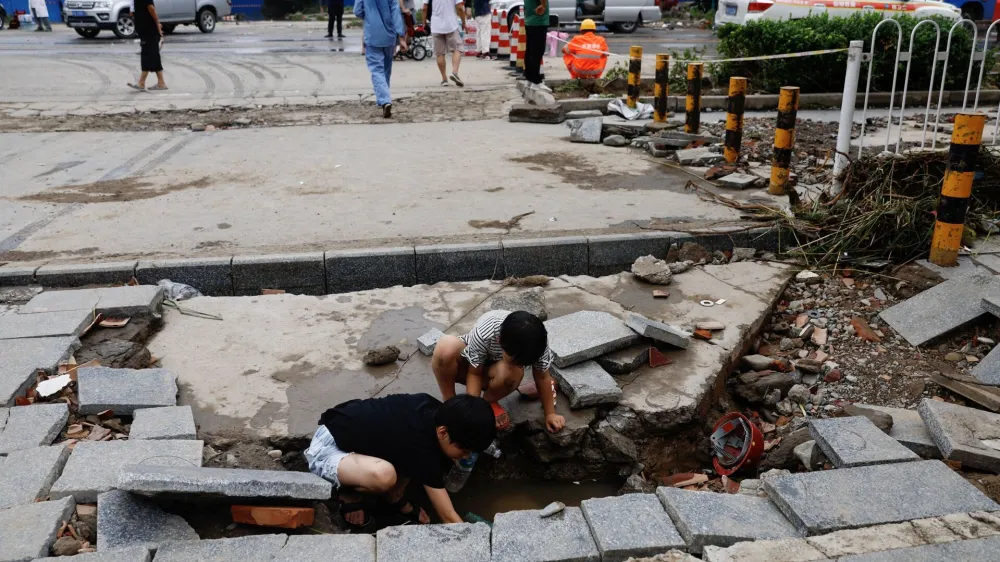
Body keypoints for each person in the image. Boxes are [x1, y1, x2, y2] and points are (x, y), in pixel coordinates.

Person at [305, 393, 496, 528]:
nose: (465, 457)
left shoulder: (435, 411)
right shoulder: (423, 448)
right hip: (328, 448)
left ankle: (393, 498)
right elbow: (447, 516)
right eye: (464, 450)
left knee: (407, 461)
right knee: (384, 476)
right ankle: (348, 492)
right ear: (443, 432)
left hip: (354, 429)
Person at [432, 310, 566, 433]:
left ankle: (489, 402)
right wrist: (471, 410)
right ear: (499, 341)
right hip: (471, 365)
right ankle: (450, 403)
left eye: (523, 364)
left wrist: (550, 414)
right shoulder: (486, 331)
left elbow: (542, 378)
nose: (520, 365)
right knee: (445, 348)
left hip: (499, 374)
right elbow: (474, 373)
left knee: (513, 371)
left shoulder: (537, 343)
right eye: (515, 360)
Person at [353, 0, 407, 118]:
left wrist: (368, 17)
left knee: (377, 70)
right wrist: (401, 36)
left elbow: (357, 11)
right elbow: (395, 13)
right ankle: (382, 98)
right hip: (389, 36)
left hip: (372, 34)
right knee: (386, 69)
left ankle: (385, 100)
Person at [423, 0, 465, 87]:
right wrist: (464, 22)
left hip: (436, 25)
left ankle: (444, 79)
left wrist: (424, 23)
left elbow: (424, 8)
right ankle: (454, 72)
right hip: (451, 24)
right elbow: (460, 8)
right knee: (457, 48)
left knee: (440, 54)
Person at [128, 0, 167, 91]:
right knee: (153, 54)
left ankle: (142, 82)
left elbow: (151, 8)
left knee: (147, 55)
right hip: (145, 30)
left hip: (149, 30)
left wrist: (157, 24)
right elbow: (133, 12)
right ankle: (161, 82)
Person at [522, 0, 549, 89]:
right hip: (539, 21)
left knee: (530, 50)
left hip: (530, 20)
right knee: (537, 51)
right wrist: (544, 5)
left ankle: (529, 78)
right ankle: (536, 81)